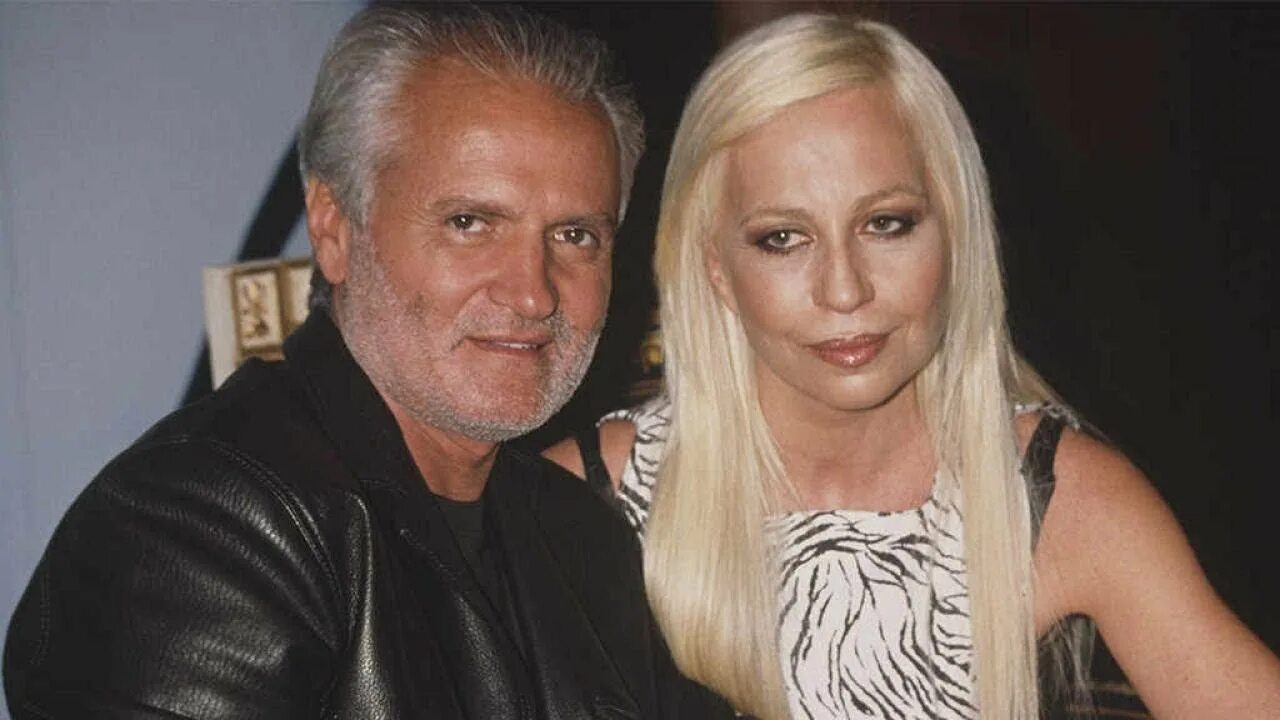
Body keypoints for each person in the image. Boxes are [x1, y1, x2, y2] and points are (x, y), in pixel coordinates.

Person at [547, 12, 1280, 720]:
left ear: (955, 232)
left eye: (885, 224)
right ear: (715, 267)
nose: (845, 290)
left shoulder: (1058, 498)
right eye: (783, 238)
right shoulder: (581, 506)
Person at [4, 6, 731, 719]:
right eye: (470, 223)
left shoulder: (579, 536)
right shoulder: (205, 531)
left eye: (574, 235)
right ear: (334, 229)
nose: (533, 292)